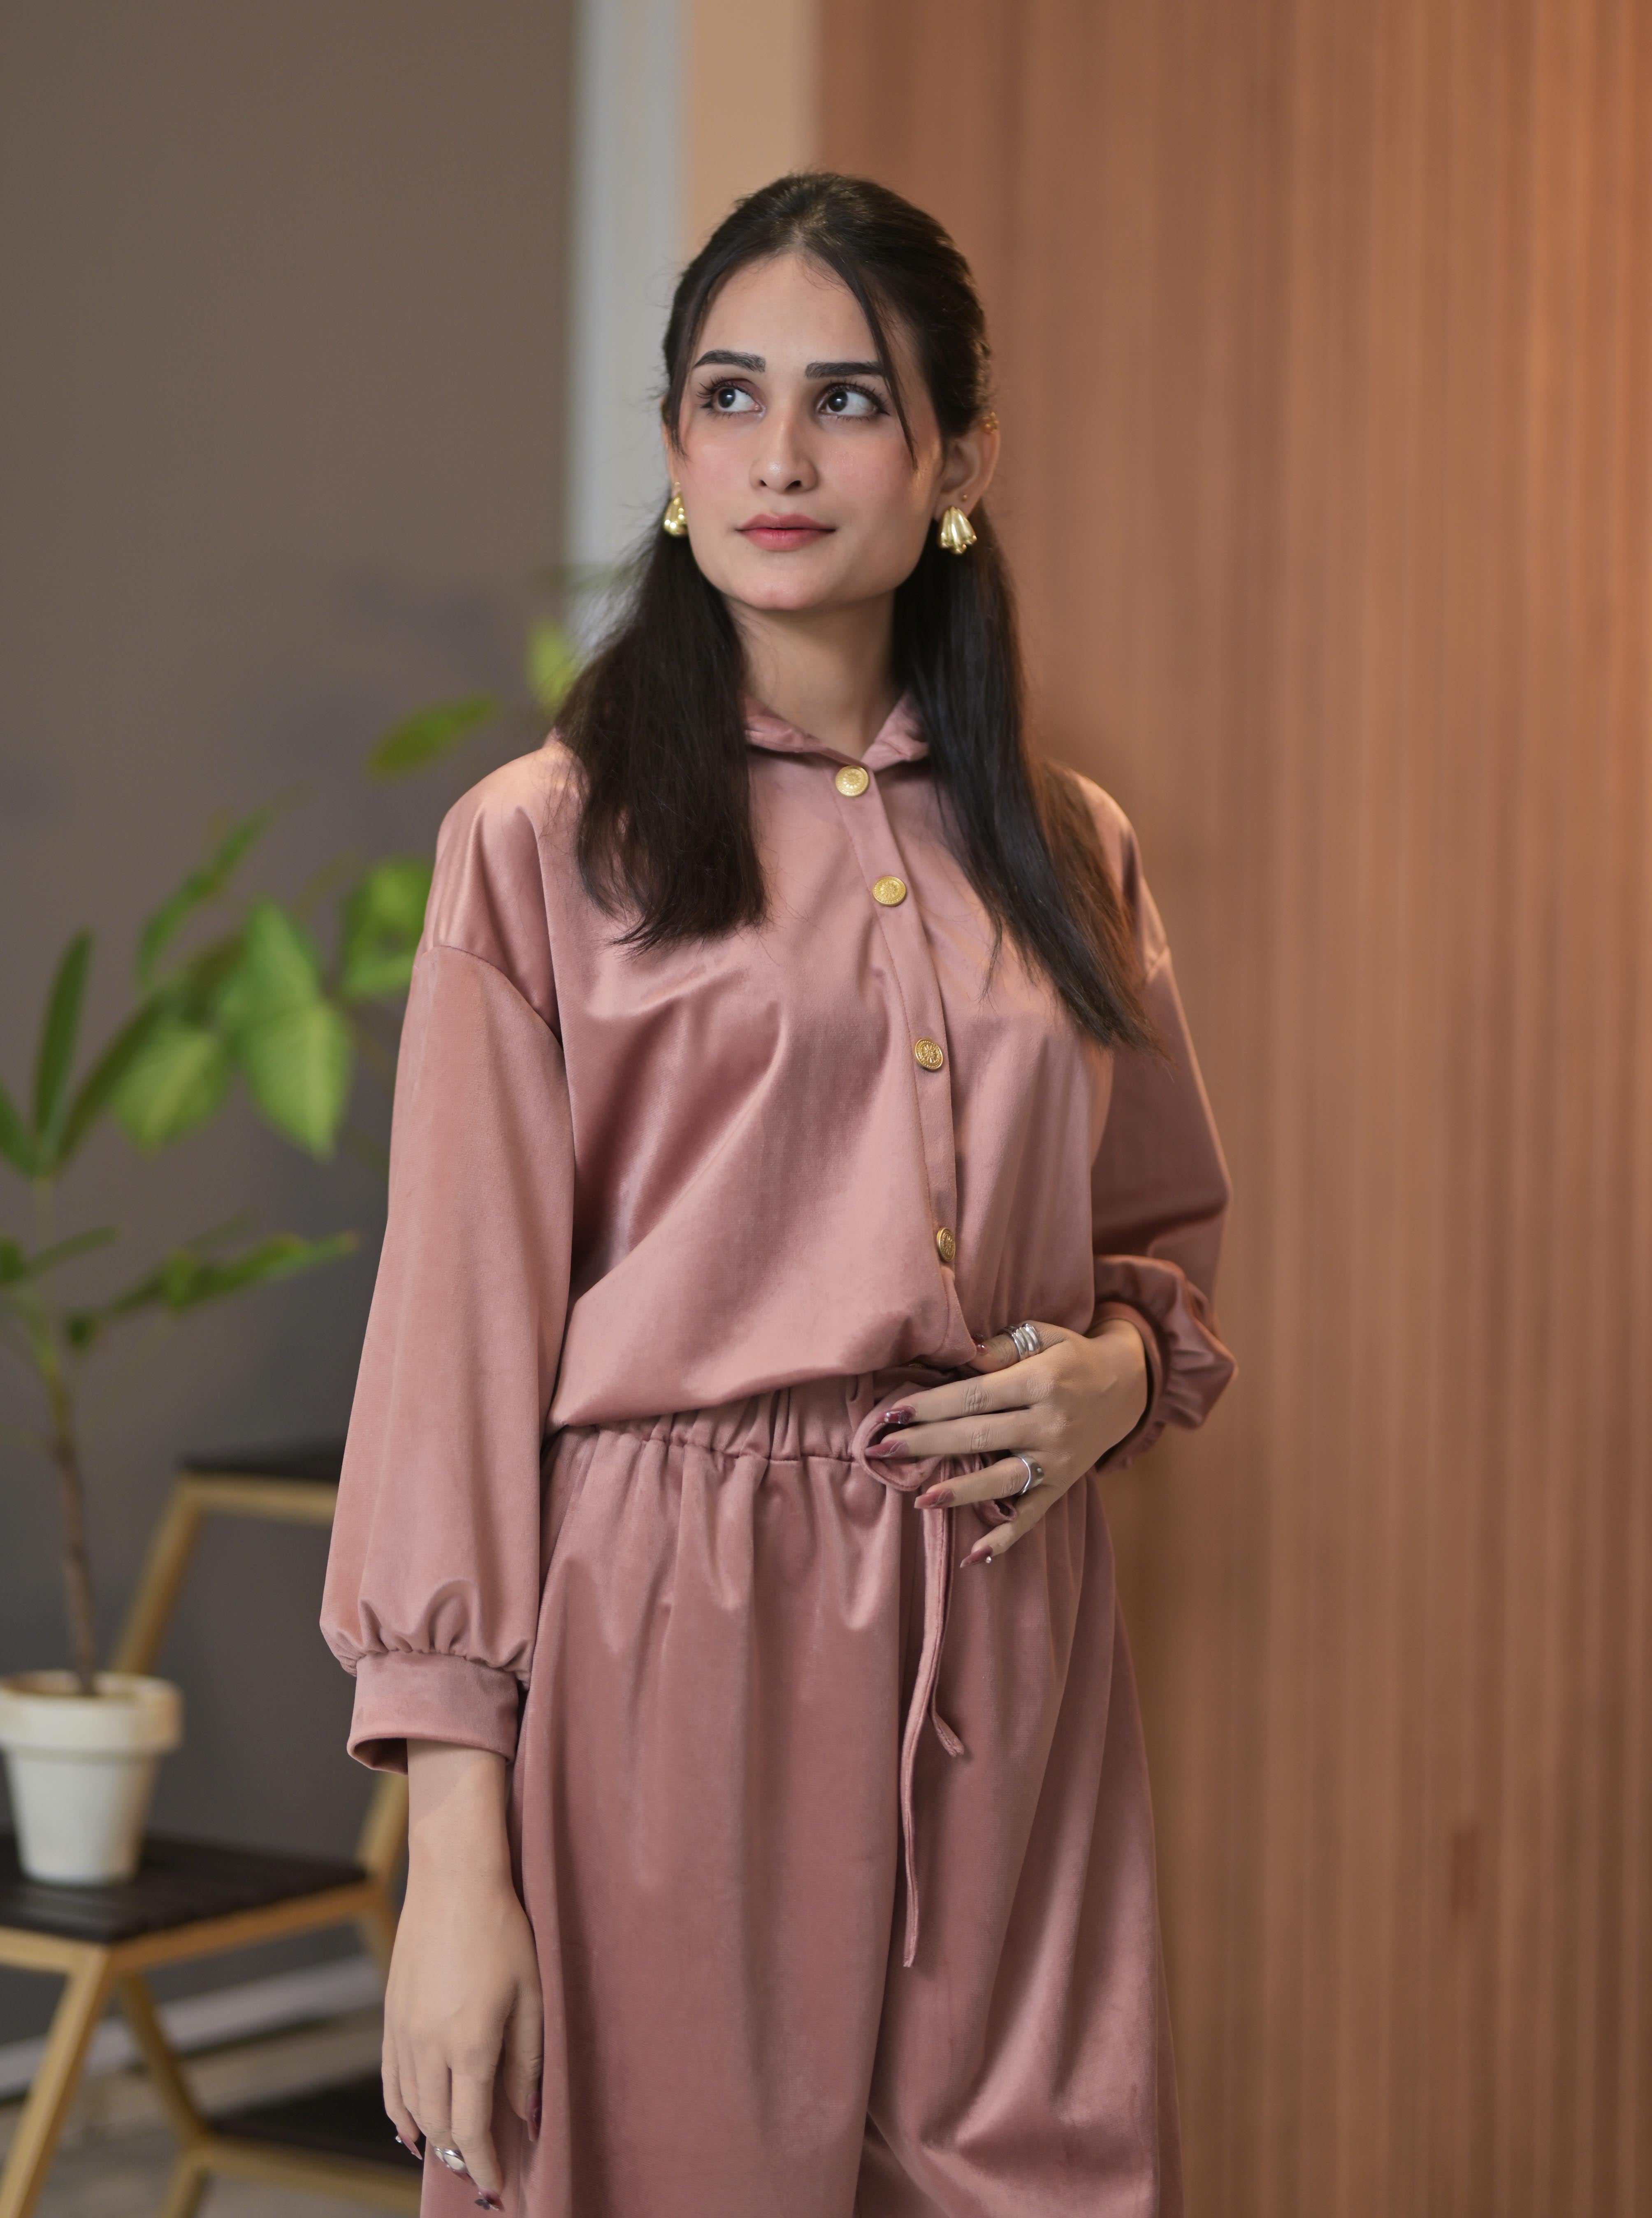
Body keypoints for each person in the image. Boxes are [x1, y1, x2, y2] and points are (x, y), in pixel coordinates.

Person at [321, 170, 1236, 2218]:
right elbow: (456, 1357)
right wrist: (455, 1876)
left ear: (953, 460)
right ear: (670, 452)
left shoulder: (1065, 849)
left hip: (1008, 1633)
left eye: (846, 400)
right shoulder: (541, 844)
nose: (780, 455)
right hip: (671, 1647)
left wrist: (1109, 1370)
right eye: (729, 397)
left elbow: (1159, 1250)